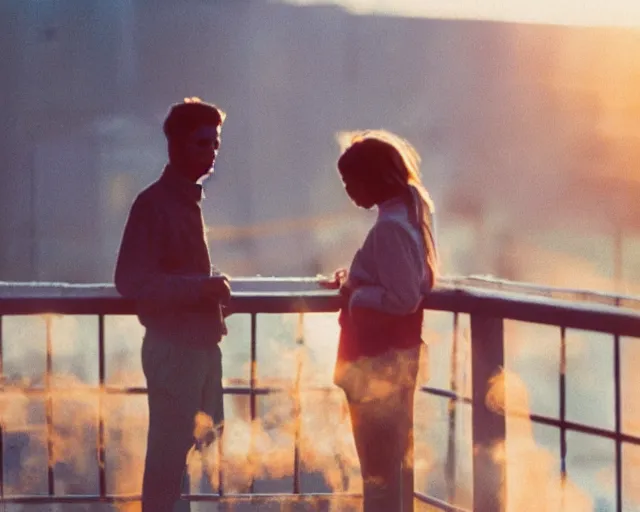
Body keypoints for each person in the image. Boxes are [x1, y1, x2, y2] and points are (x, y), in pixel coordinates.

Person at [114, 97, 231, 512]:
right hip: (175, 351)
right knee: (168, 463)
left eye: (215, 143)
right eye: (203, 143)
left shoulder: (183, 201)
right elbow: (130, 281)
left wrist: (206, 294)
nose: (212, 152)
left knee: (178, 457)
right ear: (176, 145)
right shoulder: (155, 205)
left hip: (192, 347)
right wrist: (202, 289)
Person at [324, 130, 438, 512]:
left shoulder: (389, 228)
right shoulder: (407, 219)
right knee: (390, 468)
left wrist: (356, 295)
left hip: (376, 364)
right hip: (394, 362)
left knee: (377, 473)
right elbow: (401, 283)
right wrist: (357, 280)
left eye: (349, 181)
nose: (348, 190)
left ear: (372, 178)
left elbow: (402, 296)